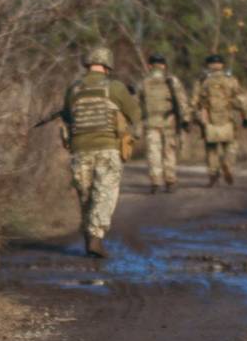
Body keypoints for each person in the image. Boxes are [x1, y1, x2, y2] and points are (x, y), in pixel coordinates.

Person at [63, 46, 141, 258]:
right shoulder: (115, 87)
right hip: (107, 149)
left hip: (80, 150)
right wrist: (135, 133)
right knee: (104, 193)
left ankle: (89, 236)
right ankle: (96, 237)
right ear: (108, 65)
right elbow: (135, 114)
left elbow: (68, 118)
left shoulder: (74, 89)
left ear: (88, 64)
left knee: (86, 195)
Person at [192, 54, 247, 187]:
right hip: (229, 118)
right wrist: (245, 117)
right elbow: (242, 100)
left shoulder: (202, 81)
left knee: (211, 149)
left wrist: (194, 118)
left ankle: (213, 175)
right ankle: (227, 164)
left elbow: (194, 101)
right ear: (222, 65)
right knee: (231, 145)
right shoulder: (231, 80)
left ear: (208, 65)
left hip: (209, 119)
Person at [138, 52, 192, 193]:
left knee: (153, 151)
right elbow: (182, 100)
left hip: (151, 122)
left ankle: (155, 180)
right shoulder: (172, 80)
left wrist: (136, 125)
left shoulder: (144, 81)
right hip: (170, 122)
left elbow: (137, 104)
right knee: (169, 151)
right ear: (164, 66)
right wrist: (186, 119)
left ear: (150, 66)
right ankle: (170, 180)